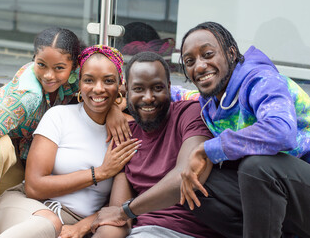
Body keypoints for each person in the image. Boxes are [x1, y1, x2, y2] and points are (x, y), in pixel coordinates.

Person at [0, 28, 130, 238]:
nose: (49, 75)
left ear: (74, 70)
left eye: (59, 68)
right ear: (34, 59)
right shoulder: (29, 97)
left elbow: (116, 85)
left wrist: (115, 108)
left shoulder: (74, 82)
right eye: (41, 65)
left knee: (12, 182)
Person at [175, 21, 310, 237]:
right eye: (189, 61)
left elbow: (281, 130)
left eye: (208, 54)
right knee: (194, 186)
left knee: (258, 167)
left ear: (231, 53)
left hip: (302, 183)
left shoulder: (261, 80)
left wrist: (207, 149)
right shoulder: (211, 100)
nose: (199, 66)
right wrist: (117, 100)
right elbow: (176, 93)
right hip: (284, 194)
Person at [0, 45, 140, 238]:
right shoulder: (59, 117)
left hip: (75, 223)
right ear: (79, 83)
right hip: (25, 207)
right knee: (48, 223)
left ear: (120, 84)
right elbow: (34, 187)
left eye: (108, 81)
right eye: (89, 80)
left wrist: (83, 226)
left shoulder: (128, 132)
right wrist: (100, 173)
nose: (98, 88)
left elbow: (119, 206)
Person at [91, 51, 223, 238]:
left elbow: (186, 176)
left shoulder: (189, 115)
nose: (148, 97)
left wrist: (124, 211)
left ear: (169, 88)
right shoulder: (125, 136)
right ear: (126, 90)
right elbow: (117, 219)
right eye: (138, 89)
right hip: (143, 232)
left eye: (157, 88)